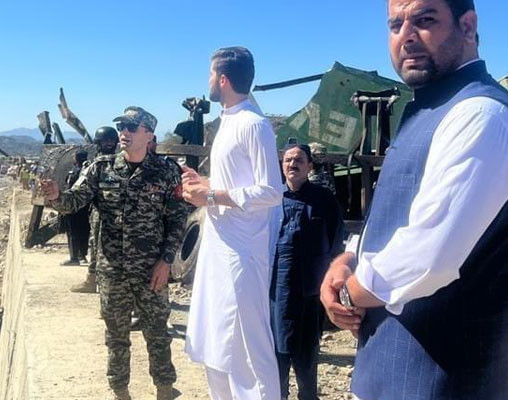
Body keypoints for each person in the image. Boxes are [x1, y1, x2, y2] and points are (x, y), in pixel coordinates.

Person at [319, 1, 508, 399]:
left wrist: (350, 293)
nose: (406, 35)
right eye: (395, 23)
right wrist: (345, 261)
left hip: (437, 382)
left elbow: (429, 256)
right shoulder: (430, 107)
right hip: (393, 376)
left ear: (468, 26)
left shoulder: (480, 114)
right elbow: (395, 215)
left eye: (424, 20)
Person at [40, 106, 189, 400]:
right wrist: (57, 196)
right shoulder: (101, 168)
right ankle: (120, 391)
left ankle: (164, 389)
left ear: (149, 134)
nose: (124, 132)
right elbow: (74, 203)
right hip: (112, 271)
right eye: (121, 126)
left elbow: (177, 219)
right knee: (116, 337)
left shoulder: (167, 171)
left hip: (151, 271)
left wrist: (166, 261)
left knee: (157, 334)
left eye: (132, 127)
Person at [182, 46, 284, 400]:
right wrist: (205, 183)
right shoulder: (229, 120)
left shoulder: (254, 125)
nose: (208, 81)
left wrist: (210, 197)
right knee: (216, 341)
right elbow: (236, 182)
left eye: (210, 75)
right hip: (219, 248)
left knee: (249, 348)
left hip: (242, 255)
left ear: (223, 79)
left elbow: (271, 190)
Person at [271, 144, 344, 400]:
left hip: (311, 291)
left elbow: (336, 242)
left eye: (299, 160)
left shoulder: (324, 200)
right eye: (288, 160)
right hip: (276, 291)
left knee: (307, 355)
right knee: (276, 353)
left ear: (309, 166)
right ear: (281, 166)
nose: (293, 164)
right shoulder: (271, 199)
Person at [70, 126, 119, 293]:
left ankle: (98, 286)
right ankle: (92, 281)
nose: (108, 144)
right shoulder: (100, 164)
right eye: (106, 141)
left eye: (110, 141)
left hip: (104, 215)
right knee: (96, 248)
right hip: (101, 213)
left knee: (101, 251)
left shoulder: (102, 164)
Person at [61, 150, 91, 266]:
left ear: (77, 159)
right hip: (84, 208)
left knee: (73, 232)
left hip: (73, 207)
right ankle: (82, 255)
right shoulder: (88, 172)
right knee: (84, 231)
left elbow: (69, 189)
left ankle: (74, 258)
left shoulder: (75, 172)